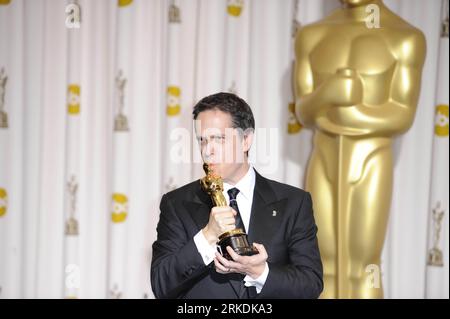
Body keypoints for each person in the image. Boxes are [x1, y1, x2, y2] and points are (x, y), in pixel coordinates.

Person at [294, 0, 426, 298]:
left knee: (365, 265)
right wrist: (328, 93)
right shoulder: (312, 35)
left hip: (371, 159)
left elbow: (402, 114)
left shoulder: (405, 37)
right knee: (322, 262)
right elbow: (303, 111)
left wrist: (352, 114)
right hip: (324, 158)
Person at [151, 92, 323, 298]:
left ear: (246, 140)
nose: (207, 151)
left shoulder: (294, 203)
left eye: (218, 139)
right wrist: (206, 237)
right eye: (202, 140)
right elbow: (161, 284)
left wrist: (260, 272)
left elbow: (311, 284)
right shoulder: (177, 204)